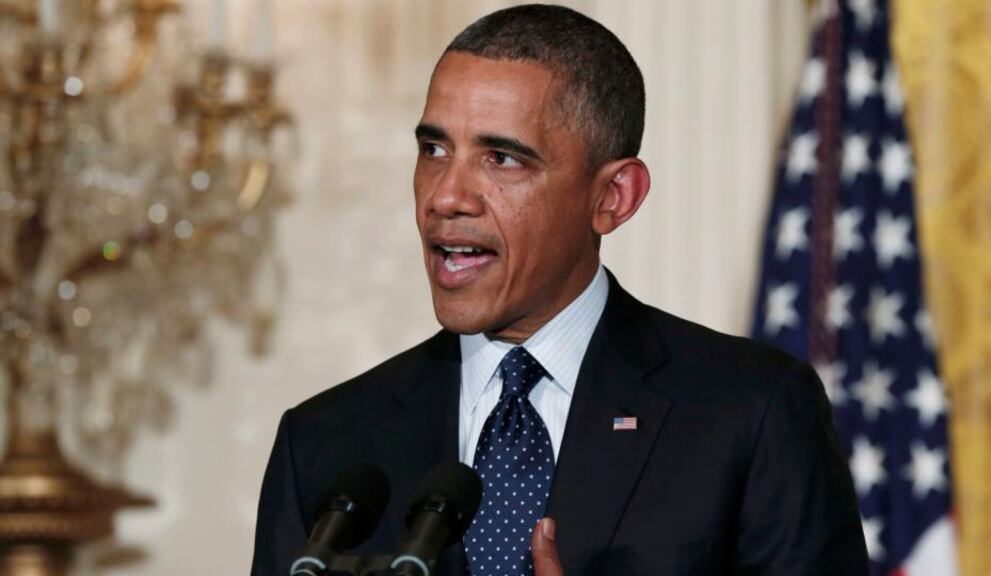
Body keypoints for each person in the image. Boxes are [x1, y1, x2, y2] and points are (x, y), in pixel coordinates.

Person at [251, 4, 869, 575]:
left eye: (502, 159)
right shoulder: (325, 445)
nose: (445, 195)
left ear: (612, 197)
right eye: (434, 148)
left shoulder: (751, 413)